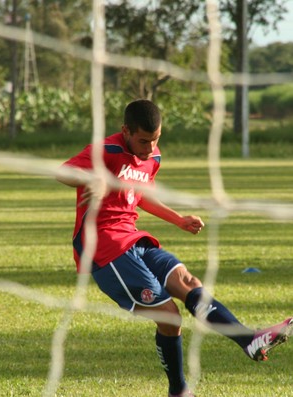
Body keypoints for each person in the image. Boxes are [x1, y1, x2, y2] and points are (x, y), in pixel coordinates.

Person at [56, 99, 292, 397]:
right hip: (105, 247)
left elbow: (140, 196)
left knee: (189, 283)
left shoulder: (153, 157)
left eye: (155, 140)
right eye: (142, 140)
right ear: (125, 131)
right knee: (170, 317)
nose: (148, 148)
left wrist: (177, 219)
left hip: (134, 239)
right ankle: (179, 391)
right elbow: (62, 172)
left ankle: (249, 340)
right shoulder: (106, 151)